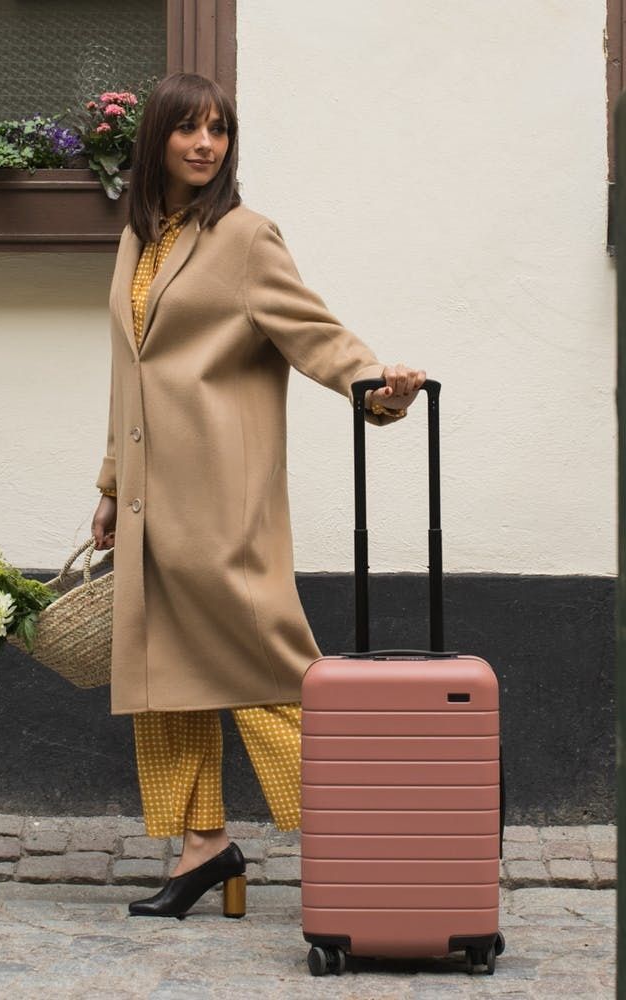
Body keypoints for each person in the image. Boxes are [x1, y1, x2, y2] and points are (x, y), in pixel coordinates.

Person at [90, 72, 425, 919]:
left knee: (270, 672)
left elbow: (310, 330)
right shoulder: (138, 240)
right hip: (147, 504)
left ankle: (371, 829)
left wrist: (377, 385)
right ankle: (205, 849)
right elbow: (126, 376)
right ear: (156, 139)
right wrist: (108, 489)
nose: (206, 145)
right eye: (189, 130)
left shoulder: (244, 237)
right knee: (165, 673)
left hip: (220, 504)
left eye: (219, 131)